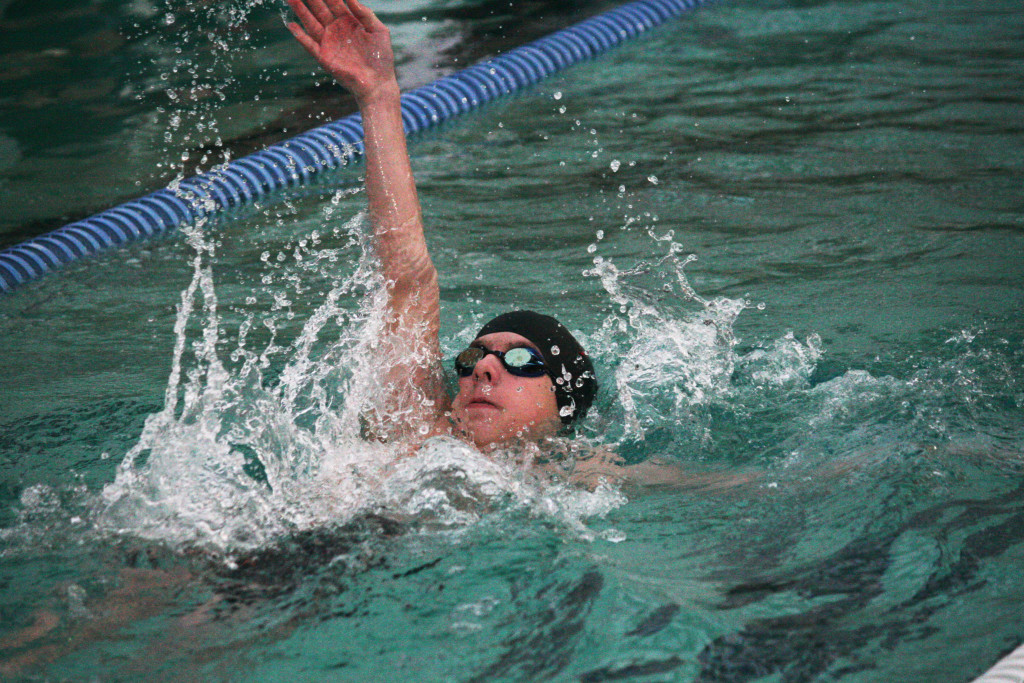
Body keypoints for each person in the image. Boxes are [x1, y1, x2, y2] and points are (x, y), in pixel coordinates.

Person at [286, 0, 598, 455]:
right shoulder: (415, 431)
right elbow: (407, 279)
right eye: (473, 358)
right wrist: (378, 95)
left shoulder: (586, 483)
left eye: (521, 361)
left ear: (564, 400)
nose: (483, 371)